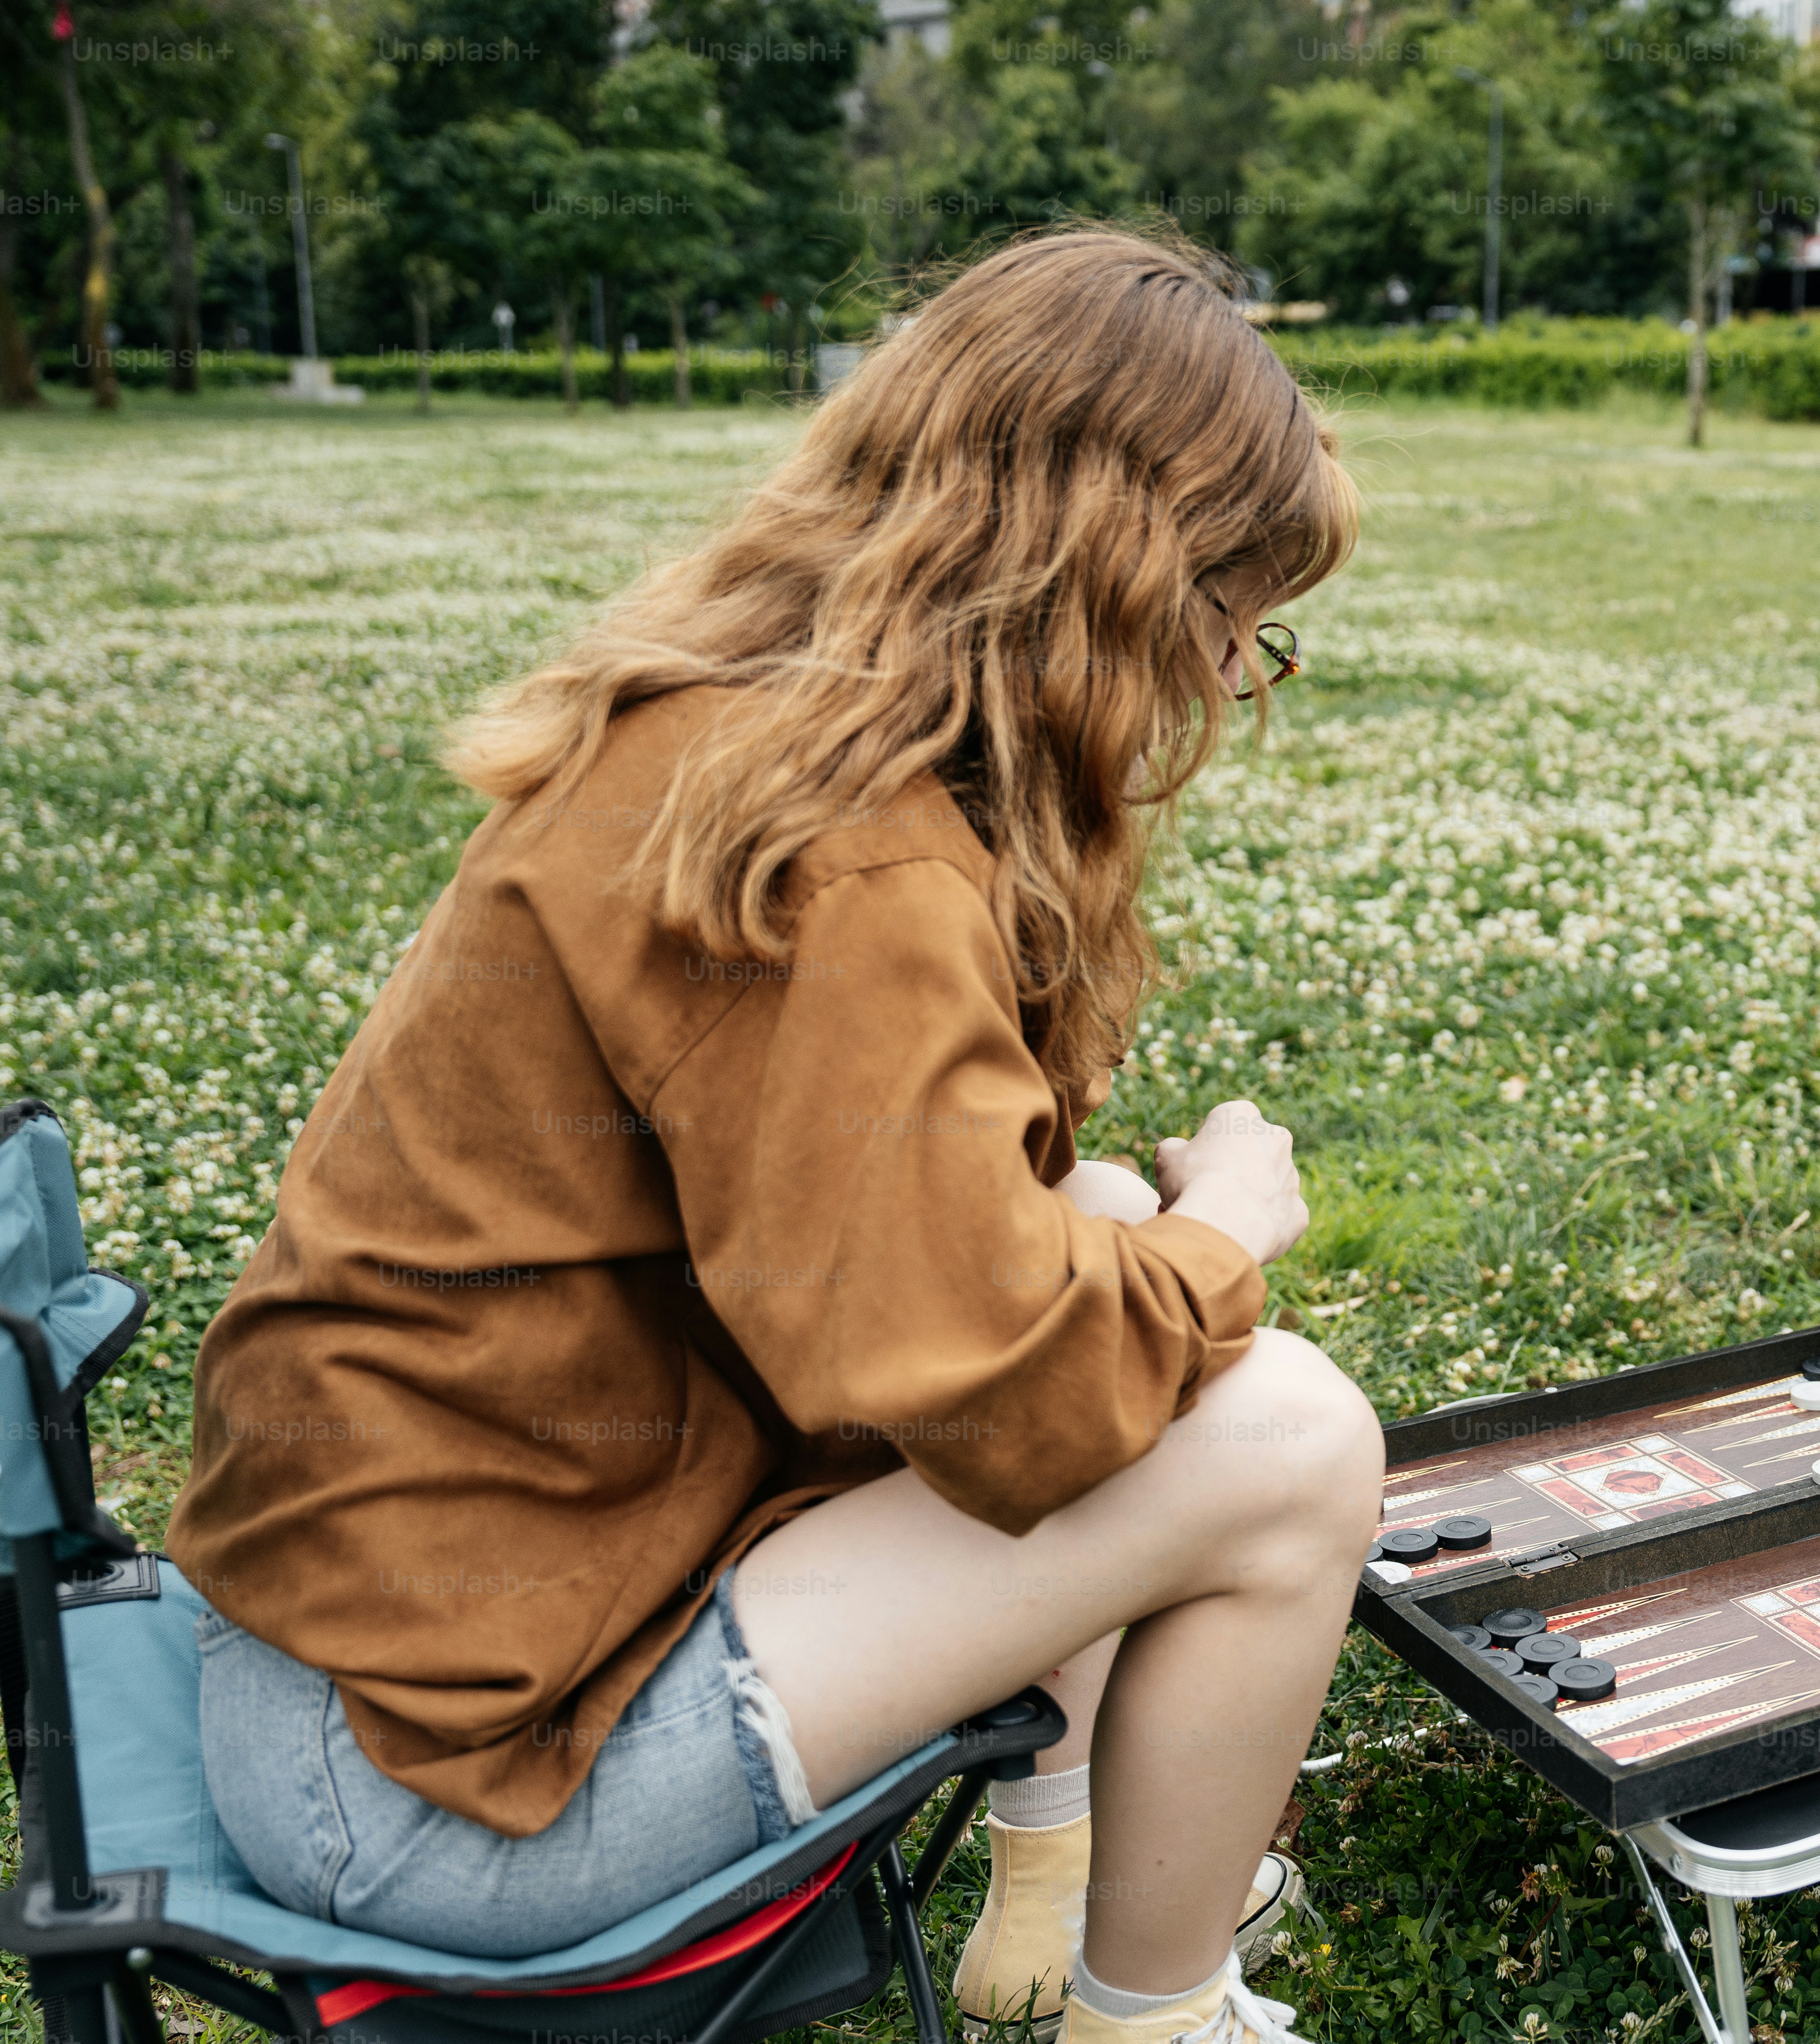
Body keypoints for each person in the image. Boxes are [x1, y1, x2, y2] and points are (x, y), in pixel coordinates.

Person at [166, 227, 1379, 2044]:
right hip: (446, 1785)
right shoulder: (849, 852)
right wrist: (1231, 1236)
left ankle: (1047, 1880)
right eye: (1232, 611)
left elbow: (906, 1260)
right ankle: (1157, 2015)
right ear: (1114, 573)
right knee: (1285, 1436)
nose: (1225, 676)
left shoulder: (746, 735)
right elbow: (1003, 1393)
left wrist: (1139, 1228)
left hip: (377, 1660)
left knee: (1106, 1212)